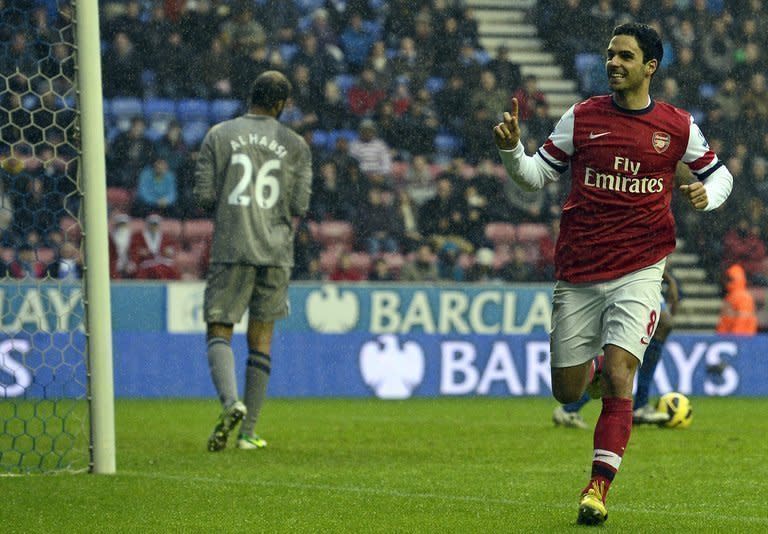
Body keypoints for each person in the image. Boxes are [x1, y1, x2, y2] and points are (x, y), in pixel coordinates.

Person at [493, 23, 733, 526]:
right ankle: (593, 374)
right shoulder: (582, 118)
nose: (614, 63)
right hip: (579, 269)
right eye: (610, 54)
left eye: (625, 56)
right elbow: (537, 176)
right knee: (568, 390)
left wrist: (706, 196)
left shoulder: (678, 126)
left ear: (650, 67)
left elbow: (720, 174)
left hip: (641, 268)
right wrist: (513, 150)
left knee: (623, 374)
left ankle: (597, 488)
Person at [193, 70, 312, 452]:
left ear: (251, 96)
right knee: (261, 338)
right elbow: (299, 206)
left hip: (233, 245)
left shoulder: (219, 135)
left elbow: (205, 196)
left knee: (219, 325)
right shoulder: (296, 146)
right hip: (276, 251)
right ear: (282, 104)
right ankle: (249, 434)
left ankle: (231, 403)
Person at [553, 265, 681, 429]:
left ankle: (571, 408)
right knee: (658, 326)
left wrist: (668, 278)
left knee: (656, 329)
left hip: (637, 271)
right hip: (625, 270)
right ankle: (639, 404)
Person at [715, 263, 758, 335]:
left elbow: (743, 319)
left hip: (740, 340)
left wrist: (735, 338)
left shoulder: (743, 296)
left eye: (729, 279)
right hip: (729, 338)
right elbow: (725, 320)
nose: (726, 282)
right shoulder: (731, 296)